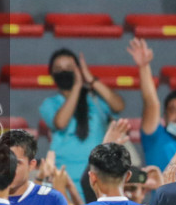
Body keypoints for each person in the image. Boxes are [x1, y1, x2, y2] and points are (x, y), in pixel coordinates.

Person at [41, 47, 128, 190]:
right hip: (64, 178)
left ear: (78, 70)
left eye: (69, 67)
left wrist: (90, 79)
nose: (64, 71)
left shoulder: (94, 99)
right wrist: (77, 86)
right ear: (51, 73)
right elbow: (61, 122)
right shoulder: (50, 104)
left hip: (97, 176)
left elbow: (118, 105)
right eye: (58, 68)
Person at [140, 83, 176, 172]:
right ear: (165, 117)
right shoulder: (156, 137)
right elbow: (151, 104)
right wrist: (144, 68)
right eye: (173, 111)